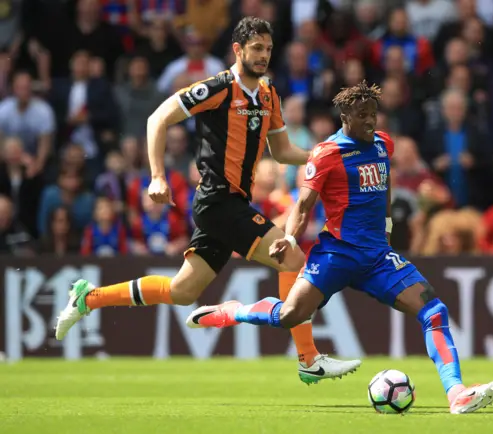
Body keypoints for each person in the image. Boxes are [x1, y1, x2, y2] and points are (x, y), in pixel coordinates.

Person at [54, 17, 361, 384]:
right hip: (218, 202)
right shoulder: (216, 88)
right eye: (256, 48)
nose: (263, 56)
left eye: (268, 49)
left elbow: (281, 152)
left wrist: (323, 156)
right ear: (238, 50)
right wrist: (156, 175)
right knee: (290, 256)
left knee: (182, 291)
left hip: (229, 206)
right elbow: (157, 119)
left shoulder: (268, 96)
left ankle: (88, 298)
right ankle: (308, 359)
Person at [186, 81, 493, 414]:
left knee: (434, 311)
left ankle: (457, 393)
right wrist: (290, 238)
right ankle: (232, 311)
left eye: (374, 114)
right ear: (345, 116)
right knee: (290, 315)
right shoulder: (326, 154)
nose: (371, 122)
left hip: (378, 256)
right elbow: (304, 205)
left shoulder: (383, 144)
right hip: (337, 254)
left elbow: (385, 180)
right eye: (363, 115)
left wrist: (389, 224)